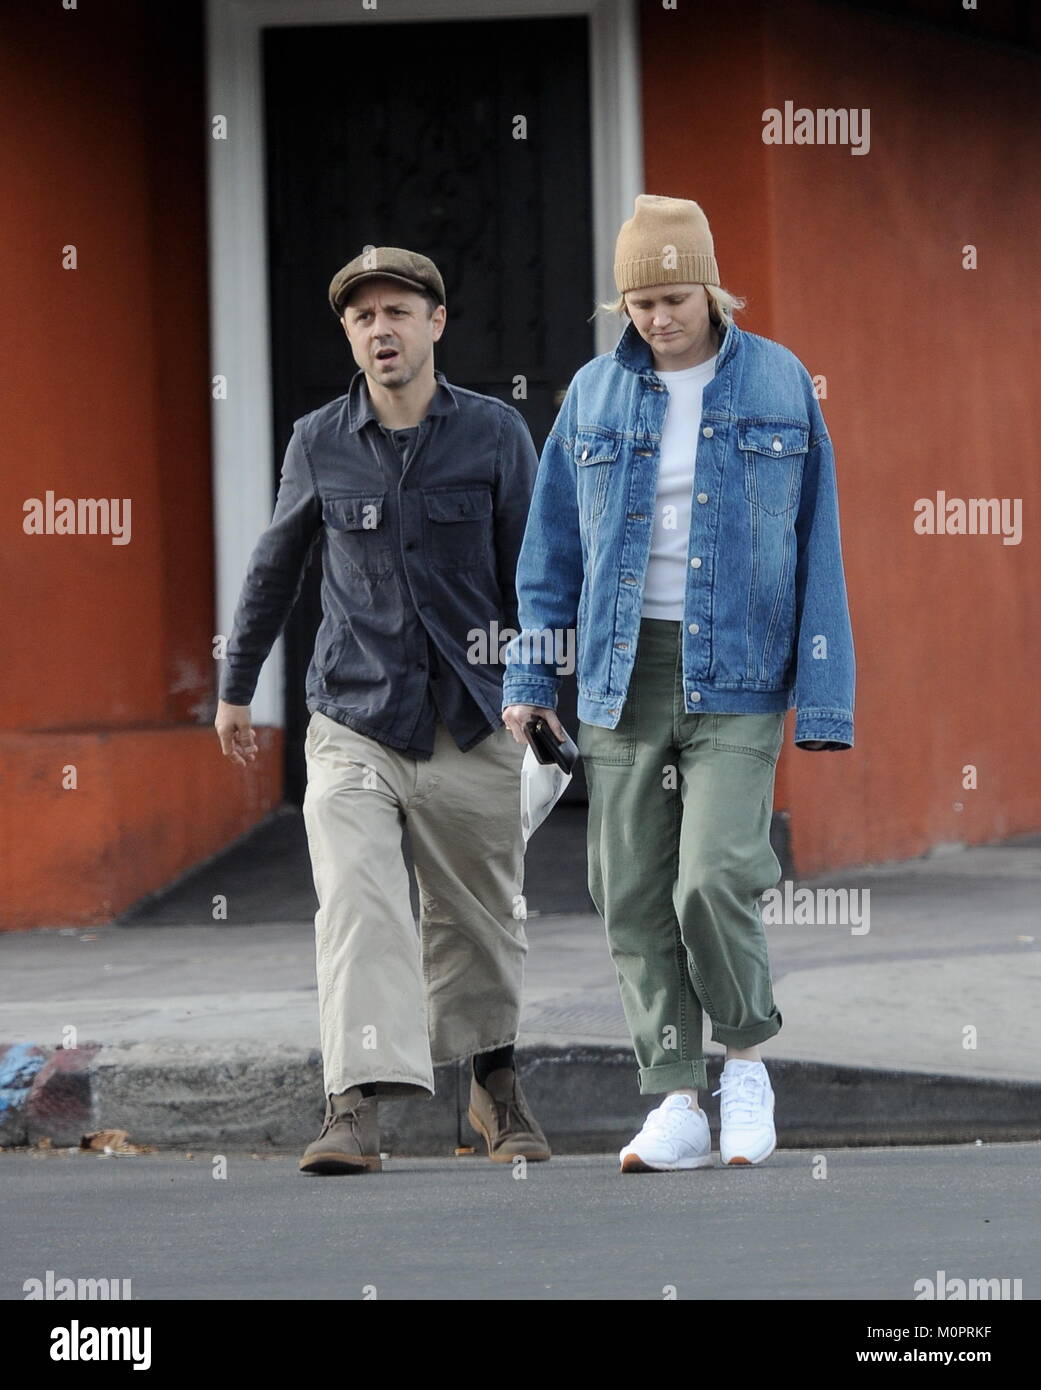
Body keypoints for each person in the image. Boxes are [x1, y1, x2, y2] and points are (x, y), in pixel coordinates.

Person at [502, 195, 855, 1172]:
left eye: (674, 295)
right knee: (629, 891)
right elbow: (550, 551)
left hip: (739, 675)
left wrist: (826, 696)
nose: (658, 318)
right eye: (639, 301)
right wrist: (531, 673)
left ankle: (744, 1064)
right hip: (623, 675)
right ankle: (675, 1099)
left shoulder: (781, 383)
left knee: (713, 876)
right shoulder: (592, 396)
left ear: (711, 287)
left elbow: (816, 545)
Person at [215, 246, 551, 1175]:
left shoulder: (493, 434)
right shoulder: (318, 439)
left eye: (397, 311)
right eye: (363, 317)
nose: (381, 329)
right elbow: (275, 566)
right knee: (359, 901)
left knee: (478, 916)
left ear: (435, 323)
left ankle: (493, 1085)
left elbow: (535, 575)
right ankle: (352, 1104)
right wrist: (236, 686)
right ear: (350, 336)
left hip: (472, 716)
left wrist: (539, 690)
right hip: (355, 716)